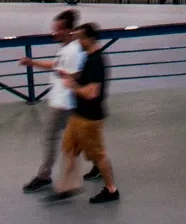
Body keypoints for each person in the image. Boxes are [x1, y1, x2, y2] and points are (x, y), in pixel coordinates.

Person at [20, 10, 100, 191]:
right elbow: (56, 66)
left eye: (58, 29)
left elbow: (76, 75)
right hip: (61, 101)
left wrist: (69, 78)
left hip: (65, 104)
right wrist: (33, 63)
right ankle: (99, 163)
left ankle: (45, 176)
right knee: (80, 137)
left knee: (52, 137)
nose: (54, 33)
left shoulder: (74, 51)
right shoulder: (66, 48)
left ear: (68, 30)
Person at [48, 22, 118, 204]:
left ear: (89, 39)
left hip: (90, 118)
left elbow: (92, 92)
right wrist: (70, 76)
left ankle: (111, 189)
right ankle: (66, 186)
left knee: (98, 155)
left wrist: (72, 86)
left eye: (80, 38)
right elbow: (83, 77)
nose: (78, 41)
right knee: (70, 150)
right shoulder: (88, 57)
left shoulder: (96, 62)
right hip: (78, 115)